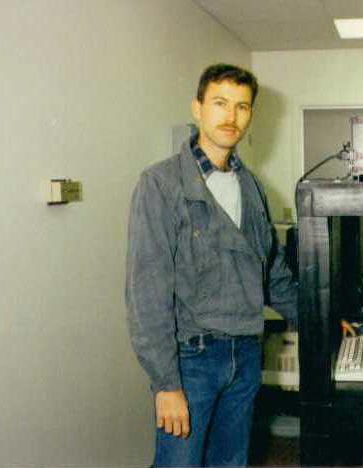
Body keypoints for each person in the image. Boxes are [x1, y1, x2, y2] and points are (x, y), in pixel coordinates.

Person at [125, 63, 298, 467]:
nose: (230, 116)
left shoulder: (251, 187)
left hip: (246, 355)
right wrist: (166, 384)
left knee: (230, 463)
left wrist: (319, 317)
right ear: (197, 108)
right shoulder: (161, 184)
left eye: (242, 106)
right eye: (220, 103)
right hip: (191, 361)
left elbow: (271, 271)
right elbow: (146, 293)